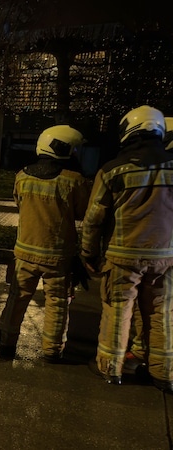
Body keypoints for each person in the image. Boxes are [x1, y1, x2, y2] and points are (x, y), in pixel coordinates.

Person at [81, 105, 173, 390]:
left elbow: (94, 219)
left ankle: (111, 369)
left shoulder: (112, 170)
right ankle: (164, 373)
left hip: (123, 256)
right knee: (161, 313)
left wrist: (89, 254)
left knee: (118, 311)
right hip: (166, 256)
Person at [0, 125, 91, 362]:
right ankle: (51, 351)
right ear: (64, 149)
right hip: (58, 257)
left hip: (24, 254)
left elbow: (19, 203)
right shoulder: (74, 180)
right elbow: (81, 213)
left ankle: (6, 346)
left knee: (16, 299)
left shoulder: (22, 177)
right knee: (57, 305)